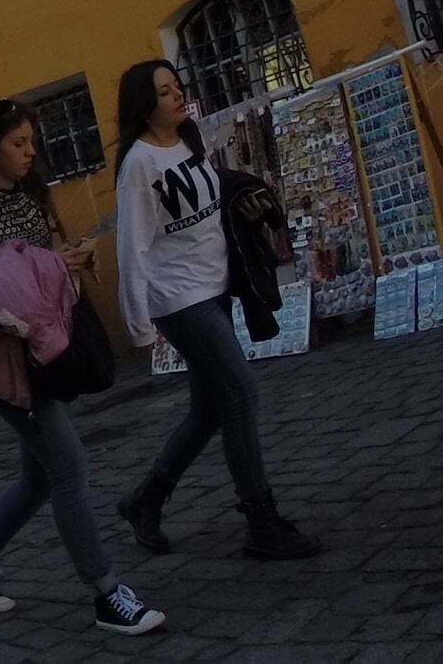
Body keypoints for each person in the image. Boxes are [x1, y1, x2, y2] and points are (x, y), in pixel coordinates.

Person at [0, 98, 165, 637]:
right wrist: (44, 267)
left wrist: (67, 262)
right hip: (3, 363)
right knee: (68, 468)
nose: (28, 151)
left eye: (30, 142)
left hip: (43, 352)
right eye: (18, 143)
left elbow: (38, 266)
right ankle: (107, 594)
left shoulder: (30, 196)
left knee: (39, 478)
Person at [112, 61, 321, 561]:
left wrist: (248, 205)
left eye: (178, 85)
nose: (177, 96)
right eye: (165, 92)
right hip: (180, 299)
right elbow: (132, 248)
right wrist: (139, 324)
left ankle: (146, 499)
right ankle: (261, 520)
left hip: (216, 286)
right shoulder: (139, 164)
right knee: (241, 395)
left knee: (209, 410)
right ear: (144, 105)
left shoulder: (189, 140)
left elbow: (214, 200)